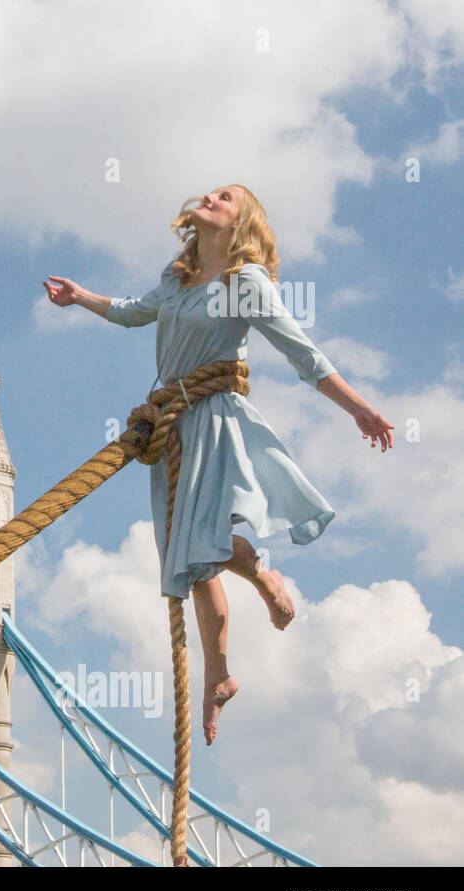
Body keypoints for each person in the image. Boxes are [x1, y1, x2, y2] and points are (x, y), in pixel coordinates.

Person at [42, 184, 394, 745]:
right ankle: (223, 670)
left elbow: (302, 353)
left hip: (212, 420)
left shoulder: (243, 284)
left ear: (240, 223)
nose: (209, 196)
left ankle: (249, 604)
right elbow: (133, 314)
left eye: (225, 196)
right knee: (192, 559)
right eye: (210, 190)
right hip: (171, 428)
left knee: (199, 541)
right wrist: (80, 296)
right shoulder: (177, 279)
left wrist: (360, 409)